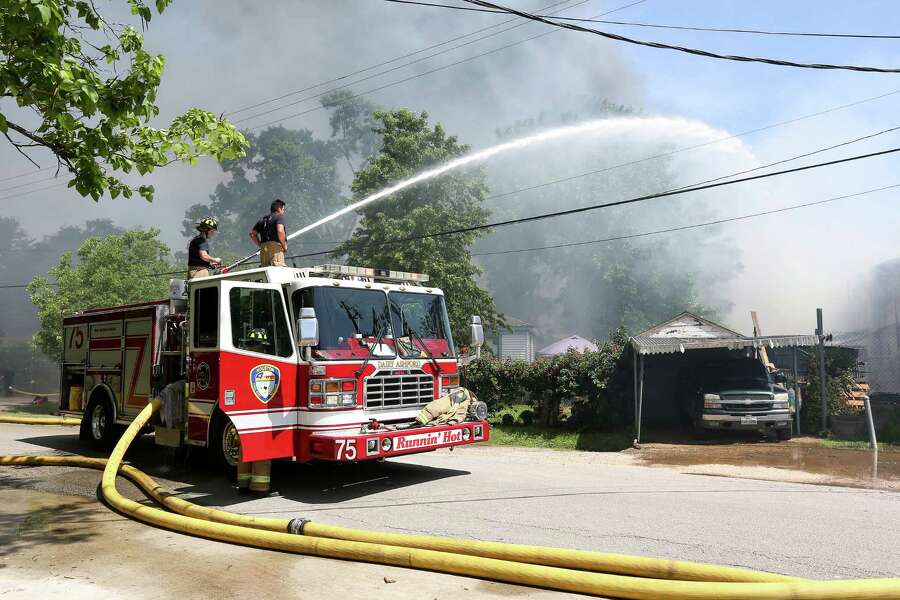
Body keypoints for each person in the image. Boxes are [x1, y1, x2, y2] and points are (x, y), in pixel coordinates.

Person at [250, 199, 288, 267]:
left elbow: (252, 234)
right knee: (278, 269)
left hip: (264, 250)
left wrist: (260, 245)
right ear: (279, 208)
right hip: (275, 249)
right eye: (283, 209)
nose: (283, 212)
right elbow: (280, 231)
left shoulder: (263, 219)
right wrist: (284, 245)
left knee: (265, 269)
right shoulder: (279, 217)